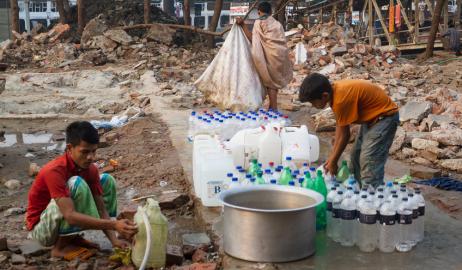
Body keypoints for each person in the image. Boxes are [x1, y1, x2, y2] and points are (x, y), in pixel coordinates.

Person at [26, 121, 138, 258]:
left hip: (60, 222)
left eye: (94, 151)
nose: (91, 157)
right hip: (42, 231)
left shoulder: (90, 169)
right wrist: (115, 224)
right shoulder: (54, 170)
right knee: (76, 184)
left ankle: (72, 238)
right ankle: (60, 248)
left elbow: (102, 209)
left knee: (107, 180)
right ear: (69, 148)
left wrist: (114, 240)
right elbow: (70, 216)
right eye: (85, 152)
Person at [299, 73, 399, 188]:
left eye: (313, 102)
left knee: (369, 159)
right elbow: (340, 128)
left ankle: (372, 195)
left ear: (324, 95)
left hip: (385, 118)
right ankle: (357, 189)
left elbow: (344, 135)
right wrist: (332, 158)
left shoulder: (341, 100)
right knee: (355, 156)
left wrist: (334, 161)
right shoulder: (335, 93)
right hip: (372, 119)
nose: (313, 105)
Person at [236, 1, 293, 110]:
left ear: (259, 12)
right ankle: (271, 107)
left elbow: (254, 40)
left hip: (269, 57)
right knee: (273, 83)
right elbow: (281, 41)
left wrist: (243, 25)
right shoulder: (277, 24)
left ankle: (274, 110)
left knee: (270, 84)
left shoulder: (259, 23)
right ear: (271, 12)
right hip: (280, 57)